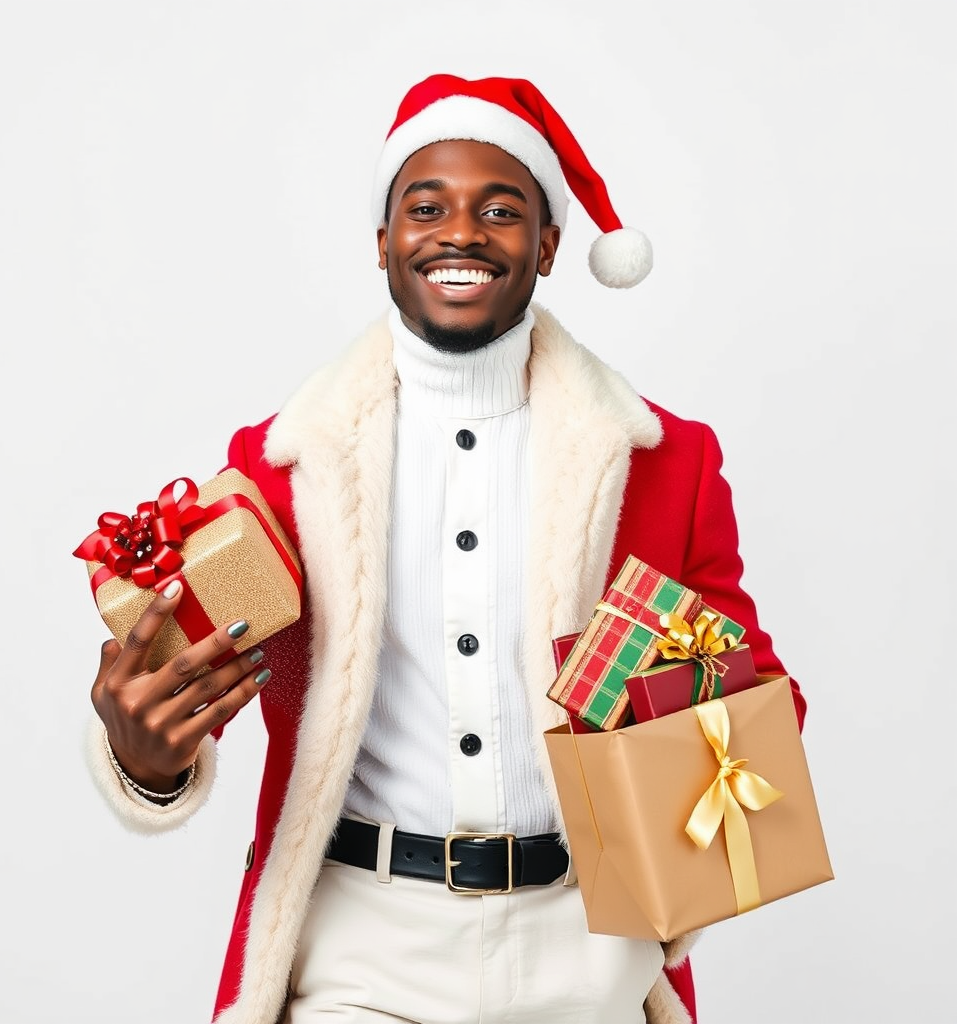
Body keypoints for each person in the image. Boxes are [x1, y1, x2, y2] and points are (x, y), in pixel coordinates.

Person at [86, 74, 805, 1024]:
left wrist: (689, 706)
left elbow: (759, 707)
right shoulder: (275, 470)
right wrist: (146, 758)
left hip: (589, 956)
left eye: (501, 209)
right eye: (426, 207)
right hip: (359, 956)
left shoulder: (667, 464)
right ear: (382, 242)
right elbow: (202, 695)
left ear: (548, 245)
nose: (460, 232)